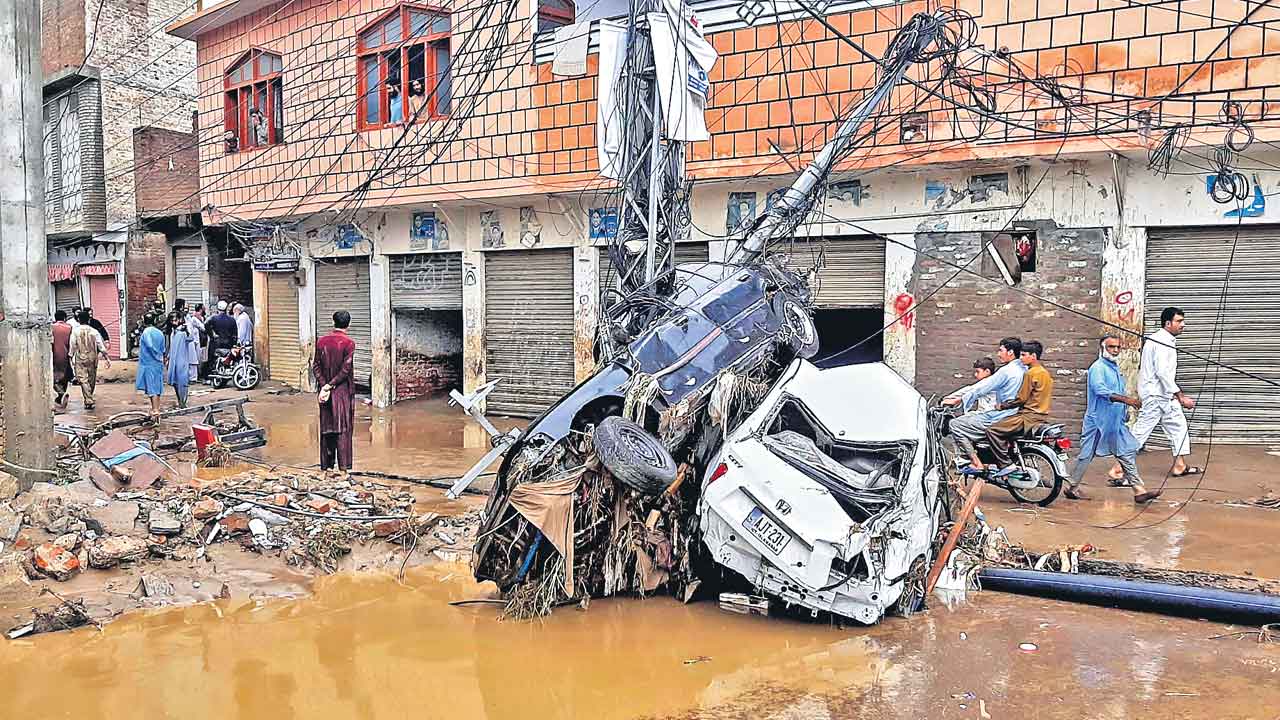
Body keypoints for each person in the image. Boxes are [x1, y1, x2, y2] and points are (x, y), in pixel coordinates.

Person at [1066, 335, 1163, 503]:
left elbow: (1119, 390)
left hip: (1114, 422)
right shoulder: (1098, 368)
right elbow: (1100, 390)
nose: (1115, 351)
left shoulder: (1114, 368)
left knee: (1126, 453)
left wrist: (1124, 410)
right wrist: (1127, 401)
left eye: (1118, 347)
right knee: (1086, 455)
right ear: (1103, 348)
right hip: (1098, 422)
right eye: (1111, 347)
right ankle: (1071, 486)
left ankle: (1139, 490)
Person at [1114, 306, 1201, 479]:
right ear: (1168, 323)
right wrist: (1181, 396)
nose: (1183, 325)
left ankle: (1179, 465)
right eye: (1179, 321)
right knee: (1140, 432)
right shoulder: (1161, 342)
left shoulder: (1165, 340)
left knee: (1179, 427)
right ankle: (1117, 469)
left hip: (1164, 396)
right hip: (1156, 396)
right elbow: (1162, 372)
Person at [941, 337, 1027, 473]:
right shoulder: (1024, 368)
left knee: (955, 424)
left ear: (1010, 352)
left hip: (1000, 415)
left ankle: (976, 463)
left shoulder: (1006, 371)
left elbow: (980, 388)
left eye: (1001, 350)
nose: (998, 354)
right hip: (1015, 414)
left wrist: (956, 400)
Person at [985, 340, 1054, 474]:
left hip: (1027, 417)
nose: (1020, 358)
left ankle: (1005, 464)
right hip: (1041, 416)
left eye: (1023, 355)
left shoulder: (1030, 373)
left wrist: (1002, 406)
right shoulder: (1045, 373)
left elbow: (1021, 399)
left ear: (1033, 356)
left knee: (991, 431)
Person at [313, 310, 357, 475]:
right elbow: (346, 370)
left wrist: (324, 386)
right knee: (343, 429)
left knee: (326, 429)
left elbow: (315, 366)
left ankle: (327, 468)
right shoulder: (348, 343)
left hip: (325, 392)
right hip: (341, 392)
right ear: (348, 324)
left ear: (334, 322)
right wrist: (331, 386)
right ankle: (344, 470)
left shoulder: (321, 341)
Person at [70, 309, 111, 410]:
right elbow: (101, 346)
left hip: (80, 357)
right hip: (93, 357)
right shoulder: (94, 331)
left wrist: (70, 356)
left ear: (79, 320)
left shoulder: (75, 331)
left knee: (82, 379)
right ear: (88, 320)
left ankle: (88, 398)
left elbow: (72, 345)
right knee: (91, 378)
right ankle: (89, 397)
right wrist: (107, 358)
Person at [136, 317, 167, 416]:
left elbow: (149, 345)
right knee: (157, 387)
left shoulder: (146, 332)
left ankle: (155, 409)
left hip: (149, 363)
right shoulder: (160, 333)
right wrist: (160, 357)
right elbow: (163, 348)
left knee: (151, 388)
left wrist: (155, 354)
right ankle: (156, 407)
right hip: (158, 363)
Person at [165, 311, 194, 409]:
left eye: (175, 320)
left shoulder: (183, 331)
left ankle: (183, 403)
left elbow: (191, 338)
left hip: (182, 359)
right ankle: (180, 401)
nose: (174, 322)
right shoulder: (172, 332)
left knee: (182, 381)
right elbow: (170, 345)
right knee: (174, 382)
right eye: (172, 320)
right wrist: (168, 357)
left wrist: (186, 330)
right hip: (173, 359)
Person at [205, 300, 239, 378]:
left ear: (217, 308)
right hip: (228, 343)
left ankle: (211, 376)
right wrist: (234, 344)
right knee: (227, 359)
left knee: (212, 359)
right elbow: (235, 334)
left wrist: (211, 335)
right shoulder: (232, 319)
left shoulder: (213, 318)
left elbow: (206, 324)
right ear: (226, 309)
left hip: (216, 343)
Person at [52, 310, 73, 410]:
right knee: (65, 377)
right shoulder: (69, 328)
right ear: (65, 318)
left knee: (53, 376)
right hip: (65, 356)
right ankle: (61, 394)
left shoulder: (51, 327)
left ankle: (60, 394)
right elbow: (72, 343)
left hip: (52, 356)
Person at [186, 303, 207, 381]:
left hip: (200, 340)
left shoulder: (199, 317)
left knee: (200, 358)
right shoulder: (194, 318)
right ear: (201, 309)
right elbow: (203, 327)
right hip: (197, 341)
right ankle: (197, 375)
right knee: (197, 358)